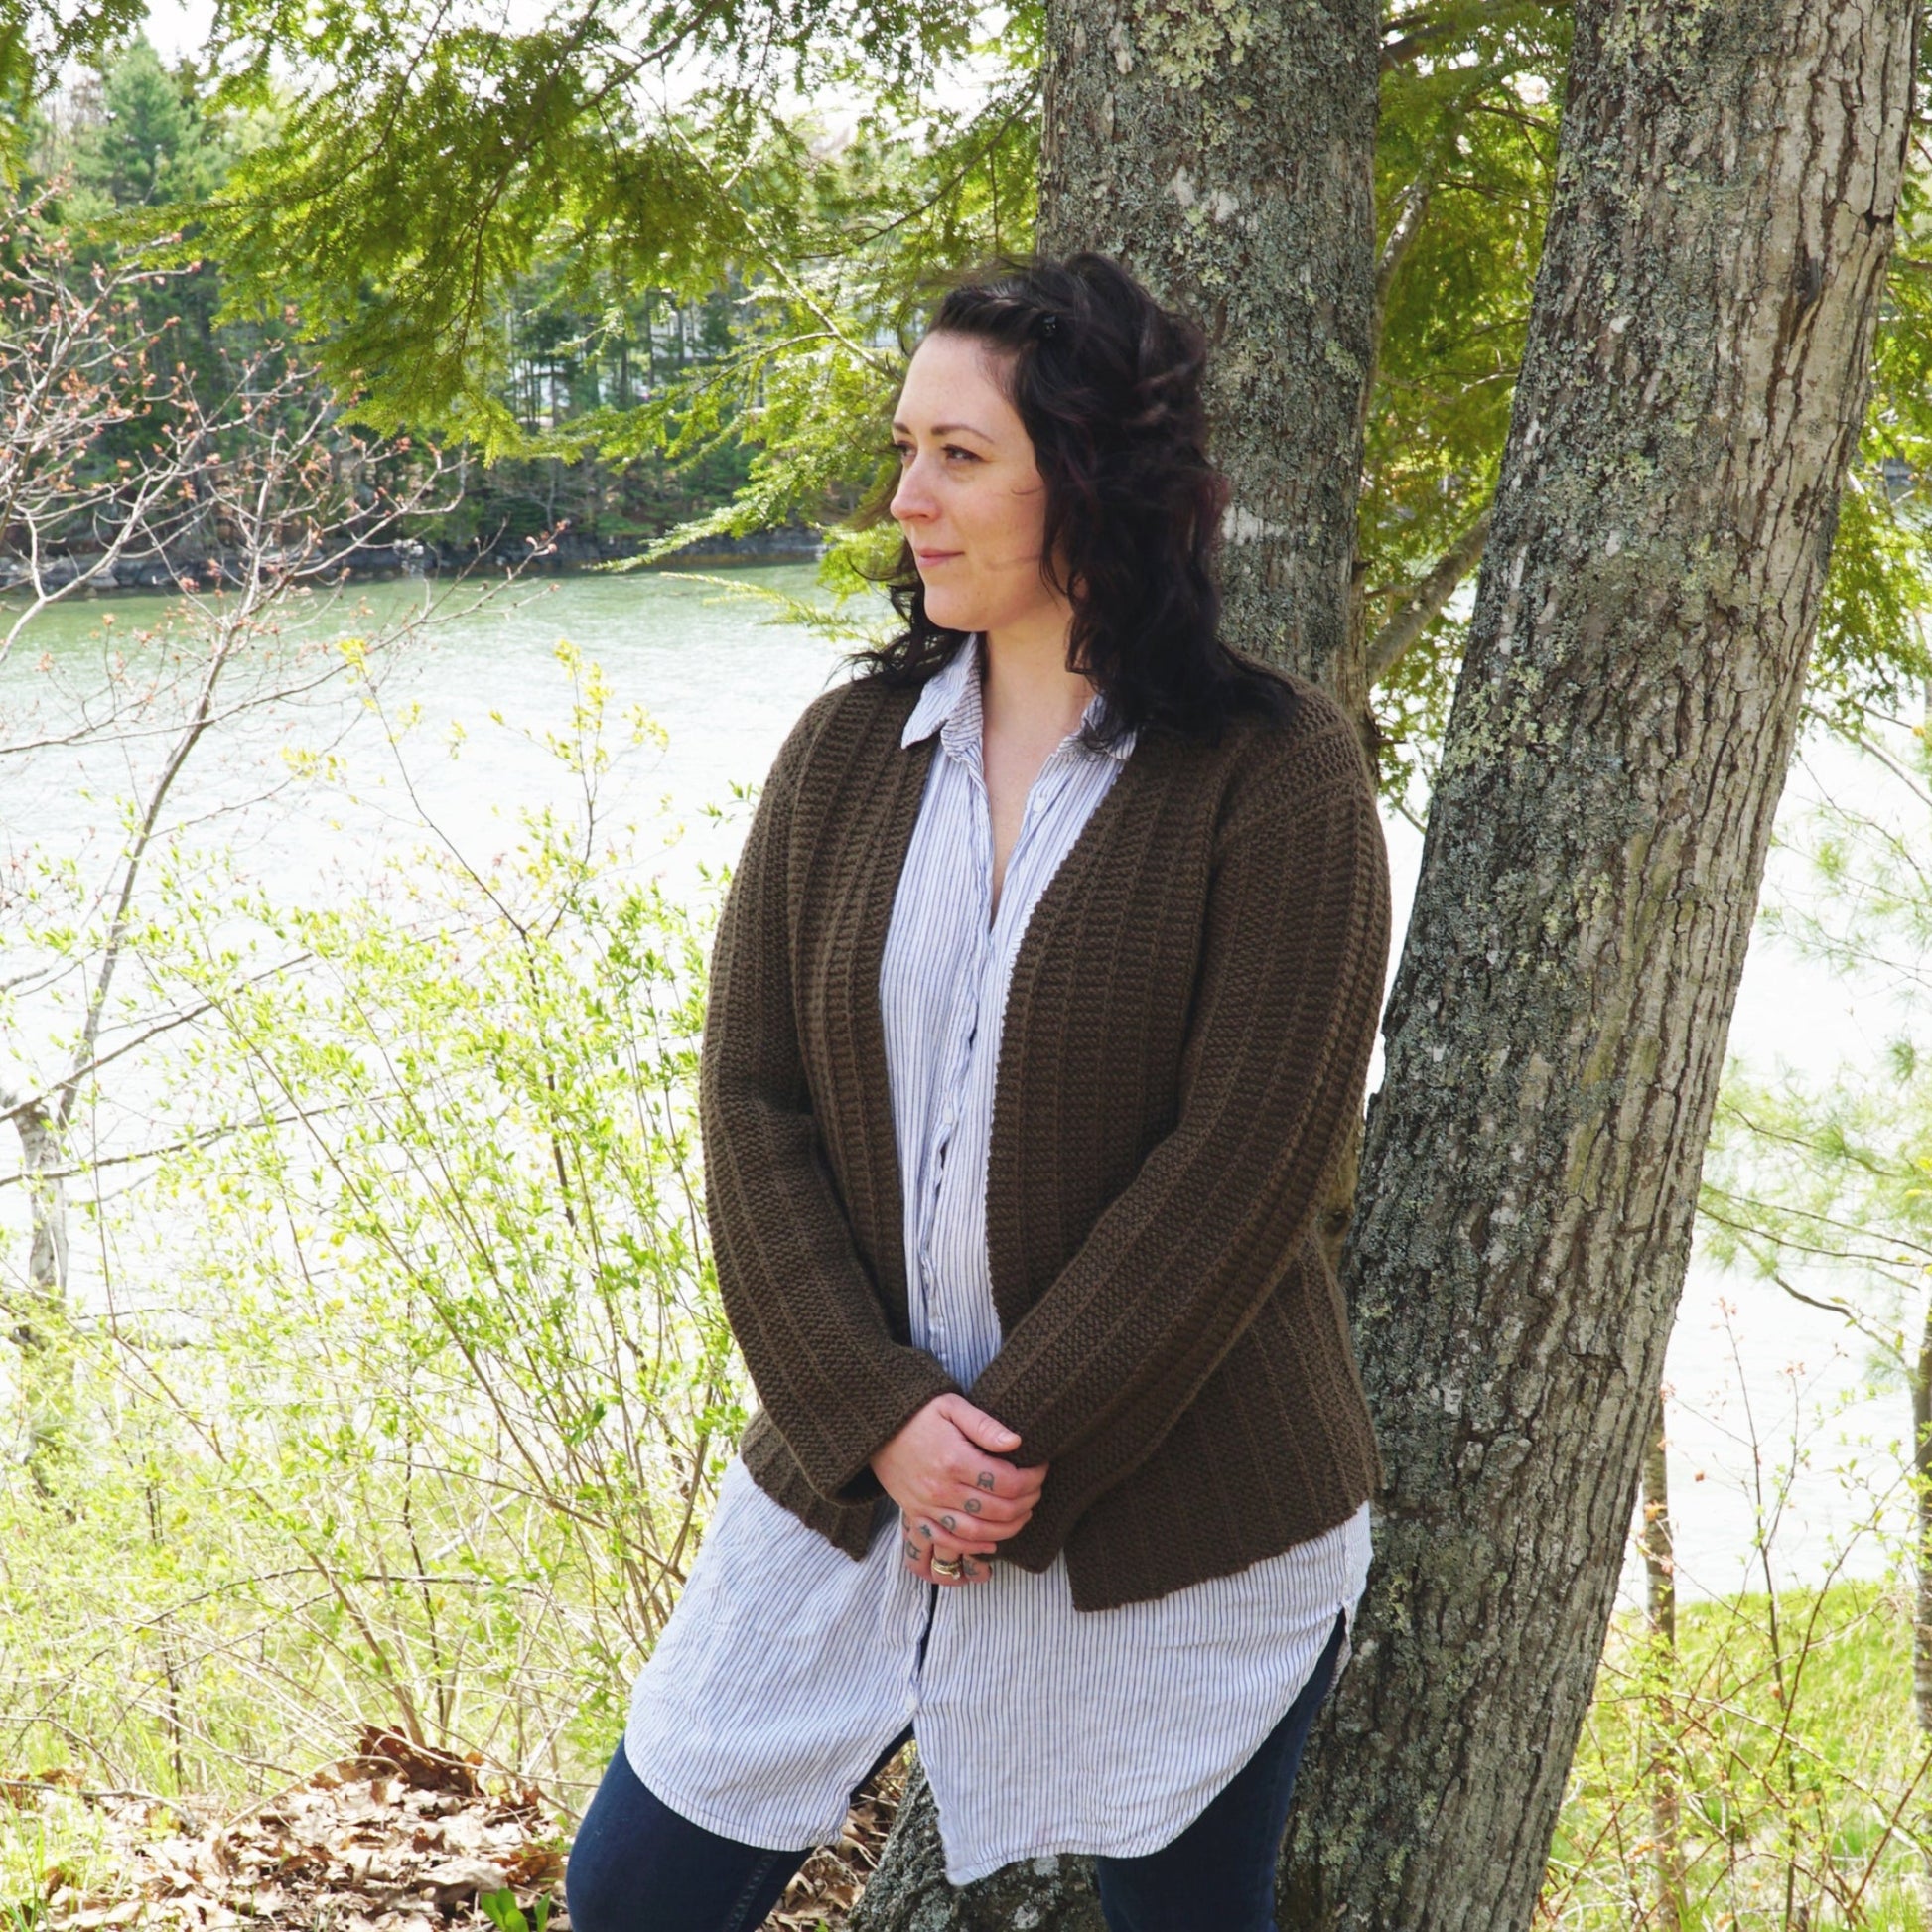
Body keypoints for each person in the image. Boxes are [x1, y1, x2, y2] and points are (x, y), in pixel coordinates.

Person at [565, 251, 1392, 1932]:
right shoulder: (842, 758)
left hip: (1188, 1507)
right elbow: (753, 1105)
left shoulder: (1276, 775)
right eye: (904, 449)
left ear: (1086, 479)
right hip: (851, 1463)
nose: (906, 500)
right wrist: (879, 1420)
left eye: (958, 457)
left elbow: (1244, 1164)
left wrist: (1007, 1454)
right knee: (635, 1891)